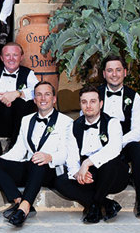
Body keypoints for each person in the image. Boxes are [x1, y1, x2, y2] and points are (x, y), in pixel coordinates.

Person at [0, 81, 78, 227]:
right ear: (34, 99)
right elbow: (19, 150)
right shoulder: (26, 120)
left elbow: (66, 153)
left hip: (50, 170)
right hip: (30, 167)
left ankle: (24, 208)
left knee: (38, 161)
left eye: (47, 94)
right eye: (39, 95)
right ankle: (18, 200)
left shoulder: (66, 122)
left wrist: (49, 157)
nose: (43, 98)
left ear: (54, 99)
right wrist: (3, 160)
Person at [54, 85, 130, 224]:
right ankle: (104, 204)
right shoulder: (74, 126)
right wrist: (77, 173)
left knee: (111, 163)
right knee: (60, 182)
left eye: (93, 101)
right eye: (84, 102)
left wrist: (86, 163)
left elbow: (114, 149)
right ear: (80, 104)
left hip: (113, 176)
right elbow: (72, 155)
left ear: (100, 104)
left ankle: (94, 206)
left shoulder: (112, 123)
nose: (88, 106)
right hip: (91, 176)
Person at [98, 55, 140, 218]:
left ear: (125, 73)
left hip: (123, 146)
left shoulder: (134, 97)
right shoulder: (94, 94)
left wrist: (117, 143)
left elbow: (138, 131)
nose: (114, 74)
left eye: (118, 70)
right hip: (100, 147)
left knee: (138, 149)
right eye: (110, 70)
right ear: (104, 74)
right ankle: (100, 201)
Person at [0, 42, 38, 154]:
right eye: (7, 55)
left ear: (21, 57)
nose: (11, 58)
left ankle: (14, 146)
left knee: (22, 102)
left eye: (15, 55)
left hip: (16, 121)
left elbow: (36, 90)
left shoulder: (28, 73)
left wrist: (17, 93)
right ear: (1, 58)